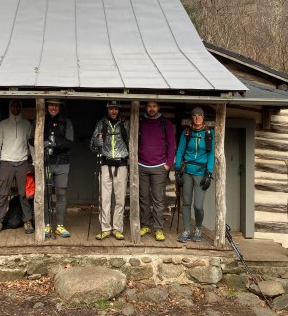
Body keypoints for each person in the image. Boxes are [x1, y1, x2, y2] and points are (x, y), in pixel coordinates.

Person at [29, 99, 74, 238]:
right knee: (46, 194)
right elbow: (31, 139)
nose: (54, 108)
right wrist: (42, 142)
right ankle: (47, 225)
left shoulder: (66, 121)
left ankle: (60, 225)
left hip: (62, 163)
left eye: (56, 105)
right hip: (45, 162)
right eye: (51, 105)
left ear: (60, 107)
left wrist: (54, 144)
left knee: (61, 193)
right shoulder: (40, 120)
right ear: (46, 106)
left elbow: (70, 142)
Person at [0, 100, 34, 235]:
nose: (15, 108)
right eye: (13, 105)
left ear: (21, 107)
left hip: (22, 161)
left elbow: (31, 143)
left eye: (18, 105)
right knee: (3, 193)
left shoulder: (26, 124)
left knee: (24, 193)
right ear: (10, 107)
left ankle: (27, 220)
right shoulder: (3, 124)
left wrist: (34, 160)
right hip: (6, 161)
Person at [90, 101, 129, 241]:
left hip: (121, 164)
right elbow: (92, 146)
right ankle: (105, 229)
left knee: (120, 200)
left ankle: (118, 229)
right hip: (105, 164)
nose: (113, 111)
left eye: (116, 109)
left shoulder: (125, 124)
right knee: (104, 199)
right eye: (111, 109)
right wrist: (96, 143)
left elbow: (132, 144)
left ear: (119, 110)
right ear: (107, 110)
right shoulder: (101, 124)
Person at [174, 106, 215, 243]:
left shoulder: (209, 133)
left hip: (201, 173)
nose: (197, 118)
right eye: (194, 115)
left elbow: (211, 154)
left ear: (203, 117)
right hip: (187, 171)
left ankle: (198, 228)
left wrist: (209, 173)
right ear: (191, 118)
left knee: (198, 205)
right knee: (186, 203)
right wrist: (177, 170)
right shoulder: (186, 132)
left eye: (200, 115)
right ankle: (186, 230)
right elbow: (180, 151)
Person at [138, 100, 176, 241]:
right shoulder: (140, 121)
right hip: (141, 165)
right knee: (143, 198)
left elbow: (172, 145)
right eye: (149, 106)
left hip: (159, 166)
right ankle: (145, 225)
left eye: (154, 106)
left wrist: (168, 164)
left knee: (158, 200)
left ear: (158, 107)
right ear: (145, 107)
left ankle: (158, 228)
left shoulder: (166, 123)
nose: (152, 109)